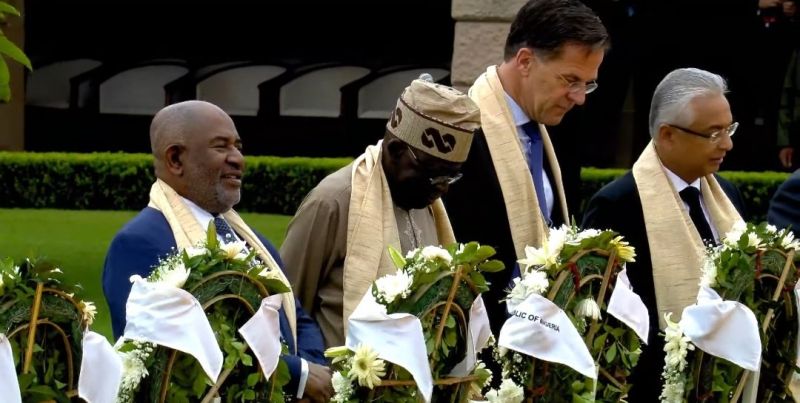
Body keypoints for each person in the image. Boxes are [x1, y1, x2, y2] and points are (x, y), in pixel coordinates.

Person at [102, 100, 332, 402]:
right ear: (175, 159)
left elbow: (295, 318)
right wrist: (297, 376)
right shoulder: (139, 243)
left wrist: (313, 368)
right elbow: (176, 353)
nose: (237, 159)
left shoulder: (253, 241)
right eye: (221, 147)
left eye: (238, 146)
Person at [443, 0, 609, 333]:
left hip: (543, 345)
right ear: (525, 61)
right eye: (571, 80)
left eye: (587, 83)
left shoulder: (556, 131)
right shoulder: (459, 133)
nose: (580, 97)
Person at [582, 68, 747, 401]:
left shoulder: (726, 195)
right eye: (713, 133)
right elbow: (603, 324)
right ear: (668, 134)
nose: (727, 143)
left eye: (729, 128)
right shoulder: (618, 205)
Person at [280, 76, 480, 348]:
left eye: (451, 178)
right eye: (435, 178)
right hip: (340, 383)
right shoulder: (334, 201)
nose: (443, 190)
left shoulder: (426, 203)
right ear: (396, 150)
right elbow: (286, 305)